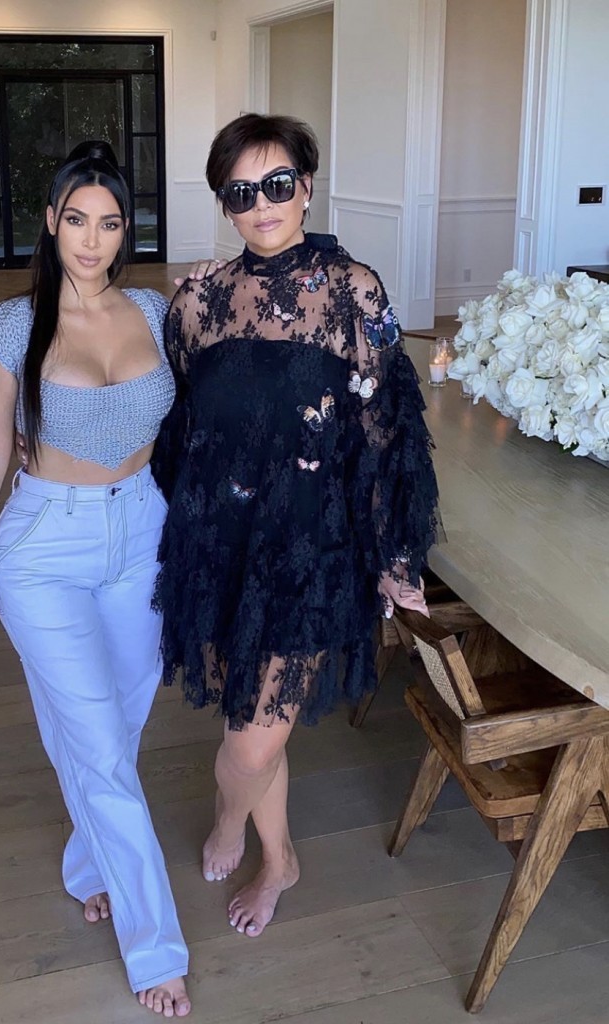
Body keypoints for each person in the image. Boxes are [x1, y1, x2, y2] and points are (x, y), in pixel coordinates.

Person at [151, 114, 440, 939]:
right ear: (224, 204)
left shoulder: (353, 291)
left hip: (312, 548)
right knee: (247, 719)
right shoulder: (198, 300)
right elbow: (181, 421)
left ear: (306, 187)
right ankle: (278, 859)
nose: (262, 205)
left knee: (248, 743)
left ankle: (230, 819)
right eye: (240, 193)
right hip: (222, 542)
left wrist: (394, 555)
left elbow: (387, 428)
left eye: (277, 184)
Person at [0, 141, 192, 1018]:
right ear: (50, 222)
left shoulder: (155, 311)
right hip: (45, 545)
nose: (92, 240)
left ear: (128, 230)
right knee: (98, 744)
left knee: (115, 723)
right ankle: (154, 946)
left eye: (110, 222)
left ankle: (90, 865)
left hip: (143, 530)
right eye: (77, 219)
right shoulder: (14, 326)